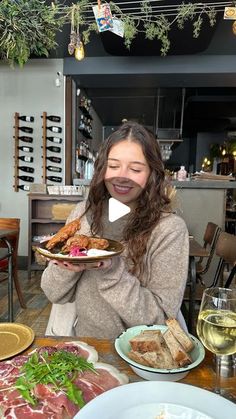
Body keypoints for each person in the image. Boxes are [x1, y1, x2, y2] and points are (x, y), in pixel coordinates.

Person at [41, 121, 189, 339]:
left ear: (152, 174)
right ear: (102, 169)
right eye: (113, 166)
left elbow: (161, 319)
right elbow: (53, 293)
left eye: (136, 169)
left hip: (138, 354)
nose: (122, 176)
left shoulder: (169, 229)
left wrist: (111, 270)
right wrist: (69, 263)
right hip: (85, 343)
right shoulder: (82, 214)